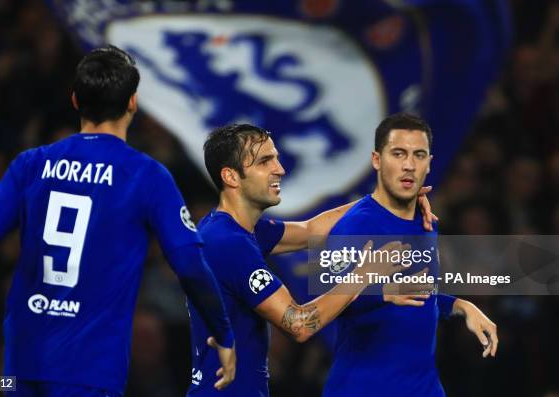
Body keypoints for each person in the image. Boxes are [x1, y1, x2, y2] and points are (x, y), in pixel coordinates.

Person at [0, 45, 236, 397]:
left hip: (23, 366)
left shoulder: (32, 164)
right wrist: (222, 331)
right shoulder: (146, 176)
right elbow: (190, 264)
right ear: (132, 103)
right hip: (90, 370)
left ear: (75, 101)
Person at [186, 123, 436, 396]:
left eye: (276, 158)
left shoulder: (237, 230)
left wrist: (386, 198)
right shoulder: (229, 244)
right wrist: (364, 274)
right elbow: (299, 324)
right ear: (231, 176)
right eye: (265, 161)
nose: (279, 169)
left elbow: (312, 230)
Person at [323, 112, 498, 397]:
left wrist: (460, 306)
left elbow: (418, 293)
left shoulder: (427, 223)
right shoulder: (356, 225)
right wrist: (379, 291)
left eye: (419, 155)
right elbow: (327, 305)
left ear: (429, 163)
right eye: (398, 153)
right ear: (377, 160)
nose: (409, 165)